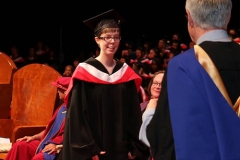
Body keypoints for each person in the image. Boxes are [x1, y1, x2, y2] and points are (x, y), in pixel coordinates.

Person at [141, 0, 240, 160]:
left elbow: (164, 141)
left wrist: (150, 113)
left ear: (190, 18)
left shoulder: (182, 67)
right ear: (228, 17)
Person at [59, 9, 150, 160]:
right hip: (94, 152)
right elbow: (77, 116)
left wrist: (134, 147)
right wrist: (88, 148)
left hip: (121, 151)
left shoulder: (124, 73)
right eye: (107, 37)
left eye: (116, 37)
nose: (112, 42)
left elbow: (133, 114)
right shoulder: (84, 72)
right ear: (97, 40)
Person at [5, 77, 71, 160]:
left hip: (60, 148)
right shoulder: (62, 108)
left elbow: (75, 138)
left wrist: (58, 146)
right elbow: (49, 130)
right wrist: (33, 137)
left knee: (39, 158)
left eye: (59, 89)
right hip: (46, 142)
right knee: (20, 145)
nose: (57, 91)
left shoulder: (75, 112)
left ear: (66, 91)